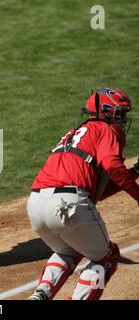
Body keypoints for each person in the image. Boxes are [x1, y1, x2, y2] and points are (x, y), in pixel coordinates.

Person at [26, 87, 139, 300]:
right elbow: (112, 166)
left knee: (69, 250)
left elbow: (98, 193)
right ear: (106, 113)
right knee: (106, 257)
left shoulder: (74, 135)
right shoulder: (105, 129)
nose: (123, 120)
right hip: (69, 204)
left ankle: (39, 296)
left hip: (36, 204)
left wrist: (134, 172)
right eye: (120, 114)